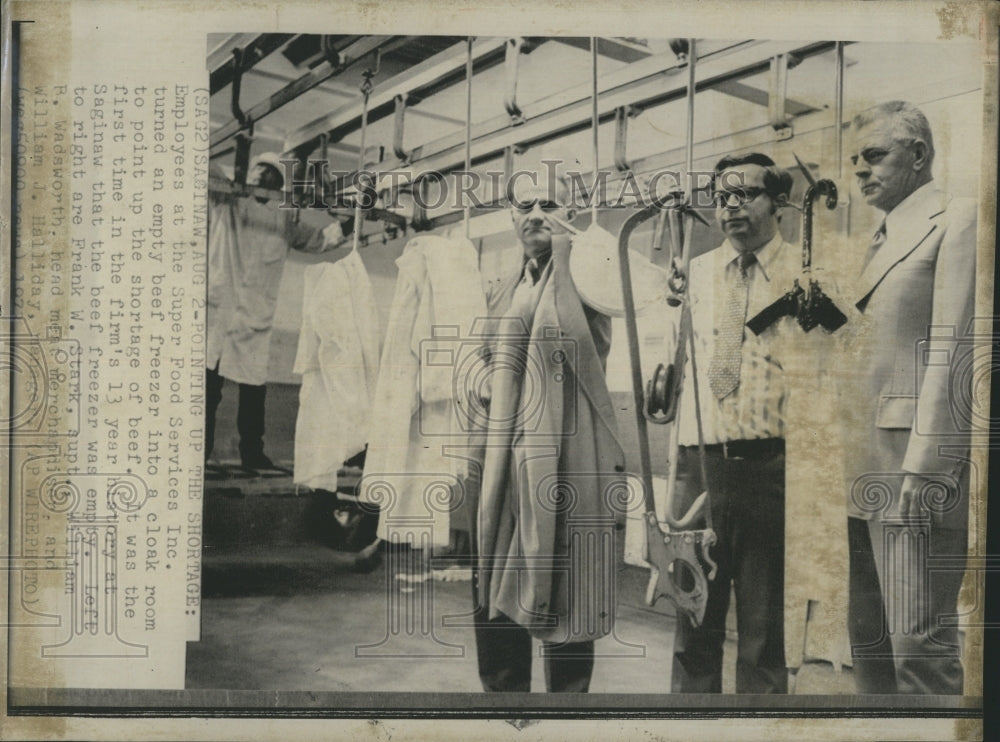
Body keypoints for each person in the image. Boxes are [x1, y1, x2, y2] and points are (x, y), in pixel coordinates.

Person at [469, 167, 626, 692]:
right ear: (512, 216)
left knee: (569, 581)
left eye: (550, 204)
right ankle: (504, 706)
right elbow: (487, 356)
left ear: (571, 216)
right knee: (493, 576)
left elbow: (610, 314)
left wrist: (573, 253)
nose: (537, 214)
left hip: (566, 452)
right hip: (502, 452)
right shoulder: (504, 284)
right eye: (526, 205)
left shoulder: (587, 273)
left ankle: (568, 714)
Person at [841, 101, 976, 695]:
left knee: (919, 648)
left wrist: (927, 468)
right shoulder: (881, 235)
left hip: (912, 471)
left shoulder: (959, 220)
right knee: (868, 640)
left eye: (874, 156)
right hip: (863, 468)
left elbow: (955, 353)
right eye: (856, 161)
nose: (861, 172)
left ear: (918, 154)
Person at [669, 152, 798, 694]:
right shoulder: (693, 275)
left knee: (763, 630)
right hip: (697, 464)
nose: (732, 206)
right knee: (693, 616)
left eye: (747, 194)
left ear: (779, 202)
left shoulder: (806, 272)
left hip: (770, 467)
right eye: (723, 197)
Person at [206, 152, 346, 472]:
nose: (259, 176)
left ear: (279, 184)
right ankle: (199, 451)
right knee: (208, 388)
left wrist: (349, 222)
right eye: (256, 170)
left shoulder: (285, 221)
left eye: (268, 173)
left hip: (254, 316)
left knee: (253, 390)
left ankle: (252, 453)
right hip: (219, 310)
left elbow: (321, 240)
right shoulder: (227, 201)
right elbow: (207, 169)